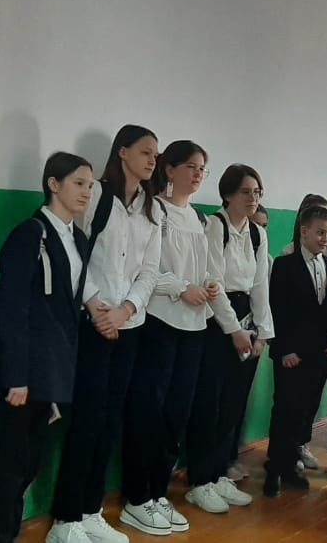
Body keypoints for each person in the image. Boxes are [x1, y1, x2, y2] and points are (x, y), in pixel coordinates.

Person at [48, 124, 162, 543]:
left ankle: (91, 510)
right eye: (145, 152)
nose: (152, 160)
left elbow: (149, 271)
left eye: (156, 155)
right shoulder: (94, 195)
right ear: (122, 152)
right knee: (87, 421)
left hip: (129, 325)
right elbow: (73, 252)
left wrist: (126, 310)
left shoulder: (153, 208)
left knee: (111, 422)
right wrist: (98, 309)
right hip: (92, 323)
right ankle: (65, 520)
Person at [0, 152, 93, 543]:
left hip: (52, 369)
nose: (86, 192)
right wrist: (16, 376)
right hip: (23, 370)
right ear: (53, 184)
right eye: (78, 183)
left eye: (90, 186)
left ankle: (8, 534)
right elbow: (12, 308)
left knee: (28, 463)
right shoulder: (30, 233)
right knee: (8, 466)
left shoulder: (77, 239)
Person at [120, 141, 214, 534]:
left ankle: (158, 492)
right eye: (191, 166)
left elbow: (202, 269)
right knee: (149, 410)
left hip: (193, 326)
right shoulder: (154, 209)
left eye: (202, 168)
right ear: (170, 169)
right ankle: (136, 496)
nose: (198, 174)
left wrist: (205, 286)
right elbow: (144, 268)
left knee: (177, 412)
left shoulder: (198, 218)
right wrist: (179, 288)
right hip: (159, 322)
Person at [186, 164, 271, 509]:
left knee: (234, 404)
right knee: (211, 403)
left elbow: (260, 285)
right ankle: (200, 480)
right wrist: (234, 330)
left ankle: (219, 473)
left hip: (247, 322)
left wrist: (262, 333)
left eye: (257, 192)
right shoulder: (214, 226)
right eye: (245, 192)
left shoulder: (257, 234)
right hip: (217, 321)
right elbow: (213, 282)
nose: (253, 198)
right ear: (228, 194)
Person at [265, 205, 327, 497]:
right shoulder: (285, 265)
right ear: (304, 231)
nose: (325, 239)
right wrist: (284, 349)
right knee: (285, 408)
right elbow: (277, 309)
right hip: (291, 353)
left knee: (306, 409)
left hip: (319, 352)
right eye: (320, 232)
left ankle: (291, 466)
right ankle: (274, 468)